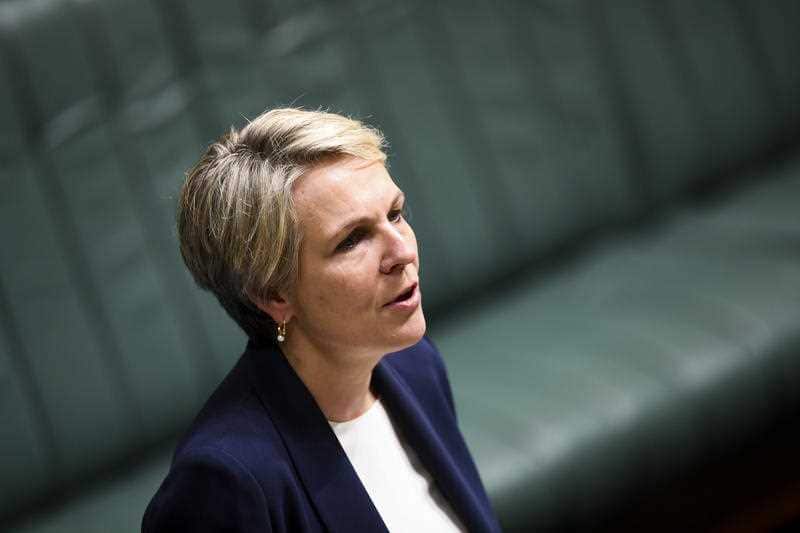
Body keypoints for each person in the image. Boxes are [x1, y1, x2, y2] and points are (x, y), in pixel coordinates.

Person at [142, 108, 500, 532]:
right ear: (273, 294)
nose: (402, 252)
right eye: (352, 240)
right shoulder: (224, 486)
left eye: (395, 214)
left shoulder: (416, 366)